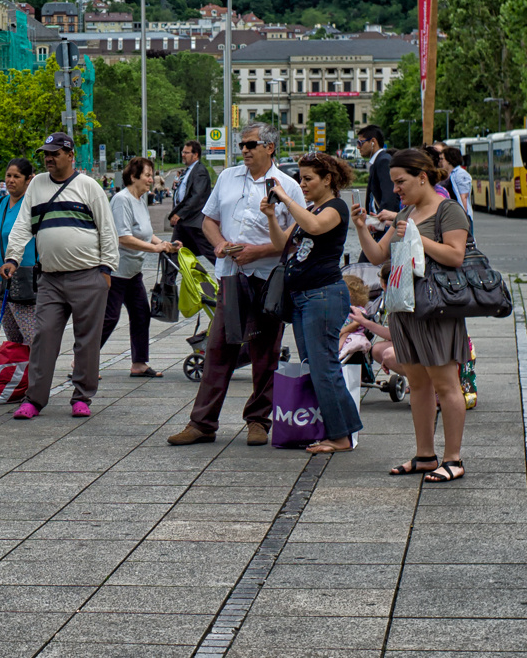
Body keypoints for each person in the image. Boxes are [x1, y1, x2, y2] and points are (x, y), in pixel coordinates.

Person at [168, 122, 305, 446]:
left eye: (251, 144)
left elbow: (295, 239)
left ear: (269, 147)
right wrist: (218, 245)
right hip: (231, 274)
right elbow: (208, 221)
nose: (244, 149)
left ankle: (258, 420)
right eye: (242, 144)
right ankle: (202, 423)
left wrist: (258, 251)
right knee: (218, 348)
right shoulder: (228, 177)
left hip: (268, 278)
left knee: (265, 352)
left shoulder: (287, 186)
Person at [352, 148, 472, 483]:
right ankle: (424, 455)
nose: (395, 189)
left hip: (436, 309)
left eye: (400, 181)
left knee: (446, 385)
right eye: (393, 182)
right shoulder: (406, 212)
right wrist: (362, 227)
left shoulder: (448, 211)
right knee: (417, 384)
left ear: (423, 177)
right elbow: (377, 256)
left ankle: (453, 458)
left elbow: (455, 255)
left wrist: (416, 237)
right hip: (405, 307)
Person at [0, 132, 119, 420]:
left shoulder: (89, 186)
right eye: (46, 153)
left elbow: (107, 229)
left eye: (55, 153)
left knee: (86, 340)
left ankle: (82, 396)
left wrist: (106, 269)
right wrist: (12, 257)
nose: (49, 158)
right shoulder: (37, 185)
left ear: (70, 155)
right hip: (50, 279)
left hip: (88, 276)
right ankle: (34, 399)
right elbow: (22, 225)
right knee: (43, 336)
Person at [262, 151, 359, 454]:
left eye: (308, 179)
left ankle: (341, 435)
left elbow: (316, 228)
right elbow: (281, 244)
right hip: (303, 297)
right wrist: (270, 217)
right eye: (300, 179)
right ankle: (332, 428)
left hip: (324, 294)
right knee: (313, 366)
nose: (301, 184)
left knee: (323, 366)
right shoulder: (311, 208)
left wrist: (287, 200)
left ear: (327, 179)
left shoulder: (335, 207)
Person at [102, 157, 179, 378]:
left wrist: (165, 245)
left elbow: (146, 233)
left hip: (132, 272)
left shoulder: (140, 200)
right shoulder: (121, 200)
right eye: (147, 175)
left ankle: (139, 363)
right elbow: (122, 237)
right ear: (133, 176)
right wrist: (154, 249)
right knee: (109, 318)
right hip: (115, 271)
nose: (151, 179)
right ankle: (82, 361)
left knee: (141, 315)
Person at [0, 158, 38, 346]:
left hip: (21, 275)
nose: (11, 180)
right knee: (12, 335)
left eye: (17, 176)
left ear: (28, 180)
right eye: (8, 175)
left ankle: (39, 371)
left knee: (30, 333)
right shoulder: (0, 203)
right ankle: (22, 371)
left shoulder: (30, 204)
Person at [168, 141, 215, 259]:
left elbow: (196, 197)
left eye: (186, 152)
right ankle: (168, 278)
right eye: (183, 152)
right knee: (173, 253)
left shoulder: (200, 171)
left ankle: (228, 274)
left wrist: (180, 214)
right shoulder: (188, 171)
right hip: (184, 223)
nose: (183, 155)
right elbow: (184, 193)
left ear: (196, 155)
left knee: (211, 253)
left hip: (193, 221)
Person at [356, 125, 397, 233]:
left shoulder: (383, 161)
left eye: (361, 143)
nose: (358, 147)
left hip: (384, 227)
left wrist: (380, 221)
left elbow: (389, 196)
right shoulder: (379, 160)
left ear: (373, 141)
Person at [441, 147, 474, 224]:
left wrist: (463, 217)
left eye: (443, 159)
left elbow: (464, 197)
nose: (441, 162)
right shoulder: (450, 173)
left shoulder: (460, 174)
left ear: (449, 160)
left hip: (461, 216)